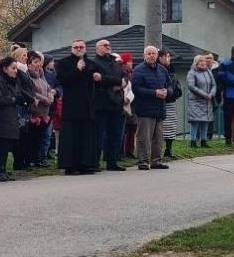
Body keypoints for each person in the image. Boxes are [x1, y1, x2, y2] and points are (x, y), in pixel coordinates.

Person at [53, 40, 98, 175]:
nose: (79, 49)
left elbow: (96, 80)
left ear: (85, 48)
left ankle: (85, 164)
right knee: (71, 137)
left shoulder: (91, 63)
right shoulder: (63, 63)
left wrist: (97, 76)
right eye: (76, 47)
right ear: (71, 49)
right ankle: (70, 166)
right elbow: (63, 80)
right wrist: (77, 69)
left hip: (87, 105)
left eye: (81, 47)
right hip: (72, 106)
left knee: (86, 137)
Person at [129, 45, 175, 170]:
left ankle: (156, 161)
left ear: (157, 55)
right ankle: (143, 161)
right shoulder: (138, 70)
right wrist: (154, 93)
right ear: (144, 56)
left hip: (159, 108)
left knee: (158, 138)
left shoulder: (162, 69)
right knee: (144, 137)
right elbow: (136, 88)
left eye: (153, 53)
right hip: (145, 109)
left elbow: (170, 85)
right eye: (148, 53)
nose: (151, 56)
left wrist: (167, 92)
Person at [0, 53, 30, 182]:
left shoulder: (12, 80)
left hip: (10, 116)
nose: (15, 71)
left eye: (16, 68)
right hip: (1, 118)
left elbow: (18, 92)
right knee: (2, 145)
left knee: (6, 145)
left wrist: (22, 99)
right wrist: (14, 99)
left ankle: (3, 170)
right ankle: (0, 171)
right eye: (13, 68)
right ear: (5, 68)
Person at [88, 38, 127, 171]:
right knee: (98, 135)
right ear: (98, 48)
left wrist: (120, 83)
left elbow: (124, 77)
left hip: (116, 103)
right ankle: (94, 163)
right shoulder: (93, 62)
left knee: (116, 134)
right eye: (105, 45)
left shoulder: (115, 62)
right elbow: (98, 80)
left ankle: (112, 161)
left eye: (109, 45)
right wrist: (117, 82)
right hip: (101, 103)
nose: (108, 47)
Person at [21, 52, 54, 170]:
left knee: (41, 137)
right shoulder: (27, 76)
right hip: (35, 112)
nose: (38, 64)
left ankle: (38, 159)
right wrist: (45, 99)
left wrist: (50, 95)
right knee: (32, 138)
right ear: (29, 64)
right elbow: (32, 92)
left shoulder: (41, 74)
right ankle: (30, 160)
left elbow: (48, 87)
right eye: (35, 62)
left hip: (45, 111)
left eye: (39, 62)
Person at [186, 54, 217, 147]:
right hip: (195, 101)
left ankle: (204, 140)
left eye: (204, 61)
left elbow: (214, 85)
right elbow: (191, 86)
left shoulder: (208, 72)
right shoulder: (192, 73)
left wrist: (211, 94)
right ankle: (193, 141)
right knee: (195, 121)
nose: (203, 63)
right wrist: (204, 94)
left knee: (205, 120)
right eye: (201, 61)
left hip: (207, 100)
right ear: (196, 62)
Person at [157, 49, 180, 162]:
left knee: (171, 126)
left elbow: (176, 83)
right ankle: (158, 151)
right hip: (161, 102)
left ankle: (168, 149)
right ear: (161, 57)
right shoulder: (158, 69)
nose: (169, 59)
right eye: (167, 56)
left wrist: (177, 91)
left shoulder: (171, 69)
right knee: (161, 127)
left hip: (172, 102)